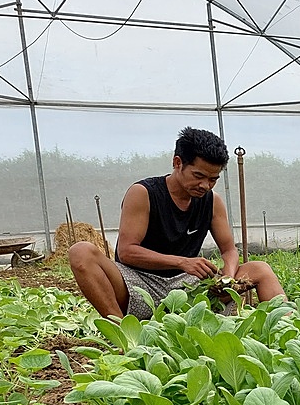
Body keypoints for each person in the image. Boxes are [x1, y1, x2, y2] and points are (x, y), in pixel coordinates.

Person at [69, 127, 284, 319]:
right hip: (139, 285)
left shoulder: (212, 202)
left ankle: (288, 328)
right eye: (198, 175)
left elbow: (229, 250)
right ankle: (123, 334)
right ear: (177, 163)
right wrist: (182, 262)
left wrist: (227, 277)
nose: (205, 185)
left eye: (213, 179)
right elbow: (126, 252)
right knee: (81, 252)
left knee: (260, 269)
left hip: (189, 289)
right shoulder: (143, 193)